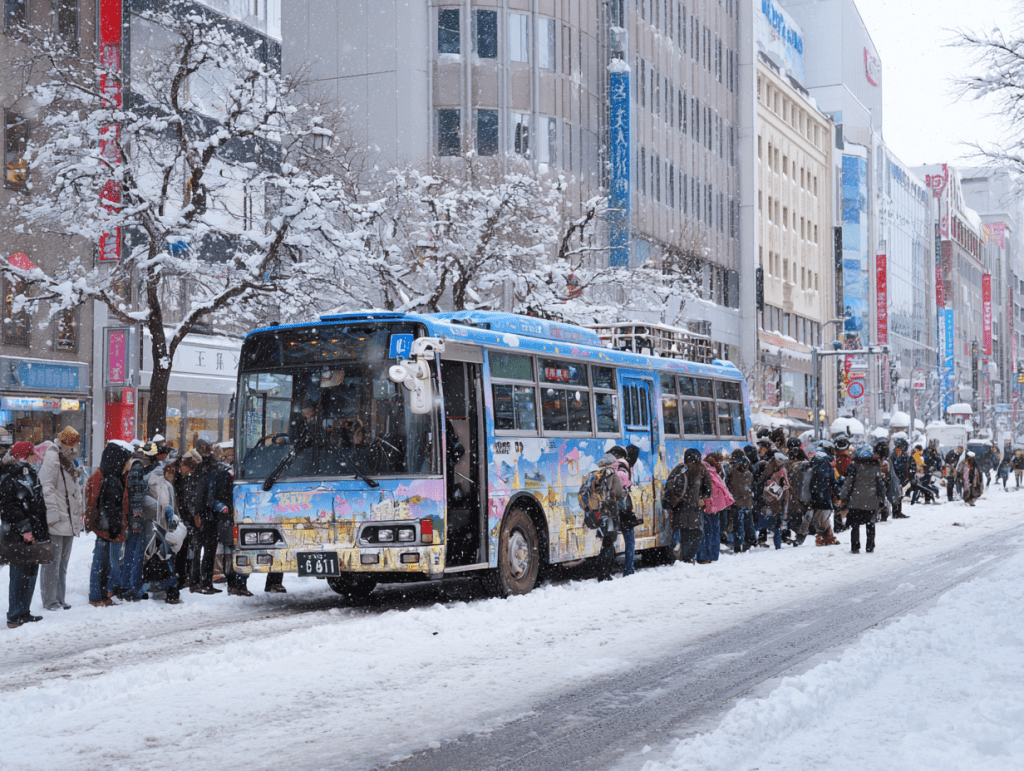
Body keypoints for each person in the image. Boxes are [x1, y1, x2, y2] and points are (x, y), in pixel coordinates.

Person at [2, 442, 49, 628]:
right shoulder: (9, 476)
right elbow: (8, 507)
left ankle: (24, 611)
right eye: (30, 454)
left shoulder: (29, 472)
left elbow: (37, 502)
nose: (34, 457)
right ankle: (14, 615)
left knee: (30, 572)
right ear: (22, 456)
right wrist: (25, 528)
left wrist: (39, 529)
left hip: (34, 531)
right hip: (18, 534)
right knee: (19, 573)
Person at [37, 427, 84, 611]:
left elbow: (71, 490)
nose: (75, 446)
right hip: (58, 517)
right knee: (52, 562)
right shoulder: (52, 456)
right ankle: (50, 600)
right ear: (66, 442)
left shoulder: (67, 459)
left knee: (62, 562)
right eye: (73, 443)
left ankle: (59, 597)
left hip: (68, 518)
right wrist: (52, 514)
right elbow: (46, 486)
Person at [86, 440, 133, 606]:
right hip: (106, 528)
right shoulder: (103, 478)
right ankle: (96, 596)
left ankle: (103, 595)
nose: (128, 465)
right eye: (126, 462)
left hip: (111, 527)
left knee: (105, 564)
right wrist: (100, 525)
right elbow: (96, 505)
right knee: (100, 563)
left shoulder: (115, 477)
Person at [121, 441, 162, 601]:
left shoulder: (134, 465)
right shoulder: (137, 466)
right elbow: (136, 495)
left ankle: (128, 586)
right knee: (135, 553)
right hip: (136, 518)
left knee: (132, 552)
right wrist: (137, 518)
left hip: (133, 516)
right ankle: (133, 587)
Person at [666, 448, 710, 564]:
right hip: (686, 507)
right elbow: (708, 489)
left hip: (686, 507)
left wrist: (701, 497)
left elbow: (707, 489)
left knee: (691, 534)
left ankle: (687, 557)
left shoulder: (693, 470)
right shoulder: (697, 469)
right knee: (693, 533)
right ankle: (687, 558)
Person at [840, 446, 885, 554]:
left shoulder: (854, 466)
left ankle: (855, 547)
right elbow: (880, 485)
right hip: (871, 500)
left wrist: (843, 497)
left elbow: (848, 484)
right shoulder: (876, 467)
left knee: (855, 525)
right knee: (870, 524)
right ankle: (870, 546)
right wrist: (881, 498)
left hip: (856, 501)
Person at [592, 453, 627, 581]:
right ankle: (604, 573)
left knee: (605, 542)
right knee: (609, 543)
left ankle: (602, 571)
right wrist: (624, 492)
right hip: (610, 512)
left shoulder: (598, 474)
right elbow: (616, 492)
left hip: (600, 512)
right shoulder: (611, 473)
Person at [608, 445, 640, 577]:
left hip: (610, 506)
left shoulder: (610, 464)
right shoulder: (623, 464)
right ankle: (628, 569)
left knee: (609, 539)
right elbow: (621, 478)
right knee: (630, 539)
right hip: (623, 506)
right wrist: (627, 485)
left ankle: (608, 567)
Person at [696, 453, 732, 563]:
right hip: (714, 505)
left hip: (706, 505)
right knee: (713, 530)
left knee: (707, 531)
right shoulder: (715, 472)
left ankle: (704, 556)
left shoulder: (704, 470)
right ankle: (712, 555)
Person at [806, 442, 841, 546]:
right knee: (824, 518)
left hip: (813, 495)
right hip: (825, 495)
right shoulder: (827, 464)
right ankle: (822, 538)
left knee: (819, 517)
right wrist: (837, 494)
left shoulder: (811, 462)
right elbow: (833, 481)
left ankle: (828, 537)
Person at [760, 452, 790, 549]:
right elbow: (785, 486)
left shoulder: (770, 469)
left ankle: (776, 543)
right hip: (777, 500)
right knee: (777, 522)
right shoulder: (781, 470)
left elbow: (764, 481)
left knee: (772, 521)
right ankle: (778, 545)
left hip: (770, 499)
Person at [726, 455, 753, 553]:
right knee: (746, 526)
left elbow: (729, 487)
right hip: (746, 503)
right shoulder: (749, 474)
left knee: (738, 526)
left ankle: (738, 546)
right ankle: (745, 544)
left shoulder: (732, 474)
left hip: (737, 504)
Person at [890, 440, 911, 519]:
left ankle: (898, 512)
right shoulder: (893, 456)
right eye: (900, 448)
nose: (901, 449)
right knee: (895, 495)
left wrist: (907, 475)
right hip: (894, 478)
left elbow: (906, 466)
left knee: (900, 495)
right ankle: (895, 512)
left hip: (901, 478)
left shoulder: (904, 456)